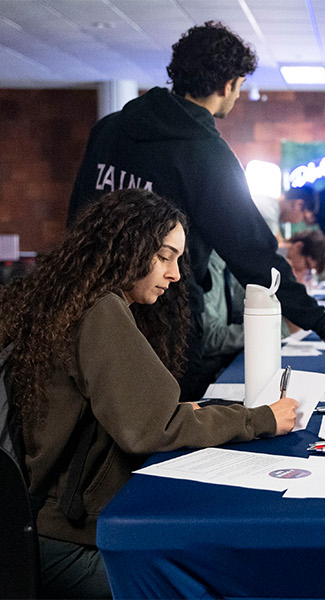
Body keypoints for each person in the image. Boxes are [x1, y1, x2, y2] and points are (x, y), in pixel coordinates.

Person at [0, 189, 299, 598]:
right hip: (72, 540)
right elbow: (152, 428)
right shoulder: (102, 311)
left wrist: (184, 412)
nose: (175, 274)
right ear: (126, 248)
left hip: (42, 530)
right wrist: (262, 419)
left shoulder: (73, 303)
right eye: (163, 256)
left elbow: (129, 414)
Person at [66, 21, 325, 402]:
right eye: (240, 85)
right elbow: (253, 255)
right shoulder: (207, 154)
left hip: (87, 310)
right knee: (170, 438)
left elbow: (77, 223)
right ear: (227, 84)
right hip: (167, 325)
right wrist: (323, 325)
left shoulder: (108, 129)